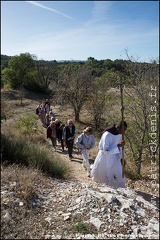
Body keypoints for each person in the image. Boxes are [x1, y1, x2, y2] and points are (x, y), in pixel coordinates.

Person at [90, 121, 127, 189]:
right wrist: (118, 146)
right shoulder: (107, 135)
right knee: (104, 177)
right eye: (123, 130)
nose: (124, 132)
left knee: (119, 173)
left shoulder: (120, 135)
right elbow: (106, 151)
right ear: (118, 128)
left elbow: (121, 148)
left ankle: (121, 188)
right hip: (105, 158)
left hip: (115, 157)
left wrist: (122, 157)